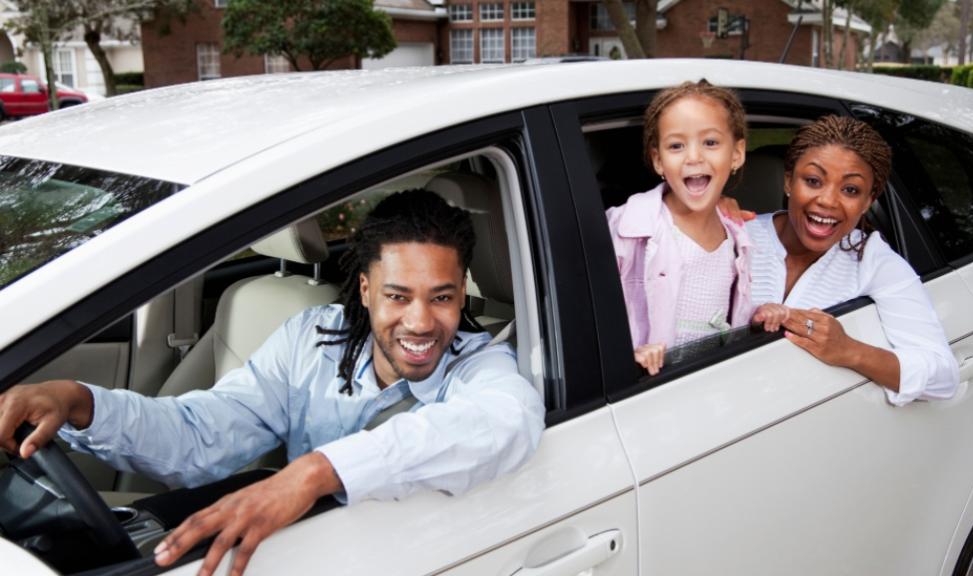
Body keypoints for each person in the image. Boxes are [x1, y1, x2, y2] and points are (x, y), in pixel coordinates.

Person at [0, 189, 545, 576]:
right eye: (398, 296)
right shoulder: (312, 339)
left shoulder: (481, 365)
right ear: (363, 289)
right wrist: (79, 402)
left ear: (462, 293)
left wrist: (312, 473)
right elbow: (202, 433)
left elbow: (505, 422)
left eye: (442, 297)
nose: (422, 322)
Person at [749, 115, 958, 405]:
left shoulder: (872, 259)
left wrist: (848, 350)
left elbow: (943, 378)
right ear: (788, 181)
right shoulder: (735, 237)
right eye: (813, 181)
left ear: (868, 202)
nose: (828, 201)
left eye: (850, 190)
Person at [607, 80, 754, 375]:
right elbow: (588, 315)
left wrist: (759, 316)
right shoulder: (625, 229)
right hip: (647, 388)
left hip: (711, 383)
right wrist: (626, 354)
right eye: (676, 146)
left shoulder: (738, 235)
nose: (694, 157)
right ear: (659, 160)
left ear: (736, 154)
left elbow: (735, 315)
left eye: (710, 142)